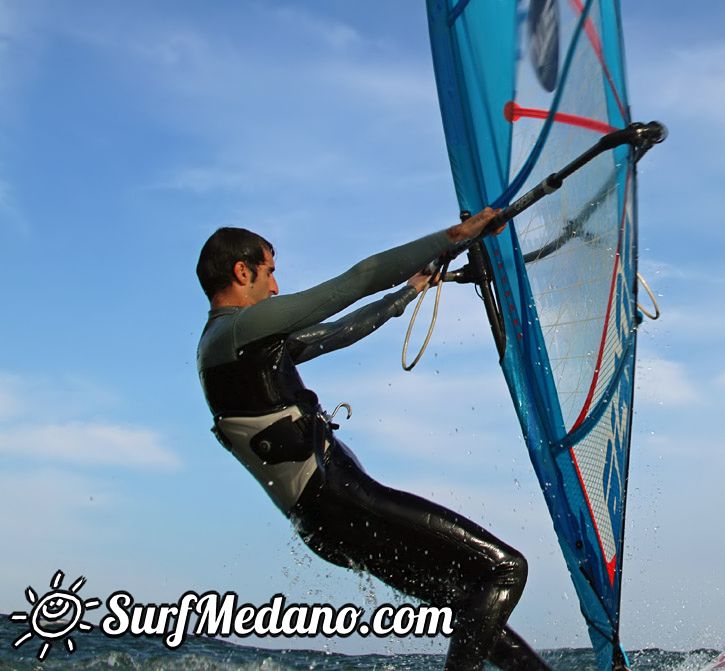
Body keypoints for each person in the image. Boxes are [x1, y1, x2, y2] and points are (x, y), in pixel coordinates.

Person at [195, 209, 549, 671]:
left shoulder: (231, 346)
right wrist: (457, 234)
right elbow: (356, 281)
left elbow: (342, 332)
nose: (276, 287)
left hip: (324, 521)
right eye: (270, 272)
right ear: (242, 271)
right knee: (506, 569)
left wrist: (412, 289)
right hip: (342, 499)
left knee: (468, 599)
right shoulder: (239, 329)